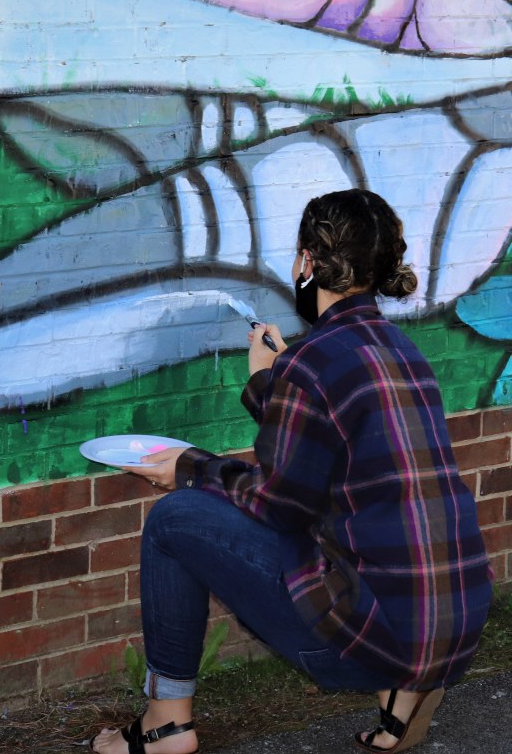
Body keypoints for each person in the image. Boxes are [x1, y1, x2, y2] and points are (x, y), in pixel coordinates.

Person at [96, 189, 491, 754]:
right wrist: (268, 382)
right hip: (449, 617)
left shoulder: (315, 362)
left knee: (174, 519)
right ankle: (400, 701)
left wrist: (190, 468)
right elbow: (325, 443)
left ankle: (165, 724)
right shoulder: (403, 352)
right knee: (330, 526)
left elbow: (281, 502)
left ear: (308, 262)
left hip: (367, 634)